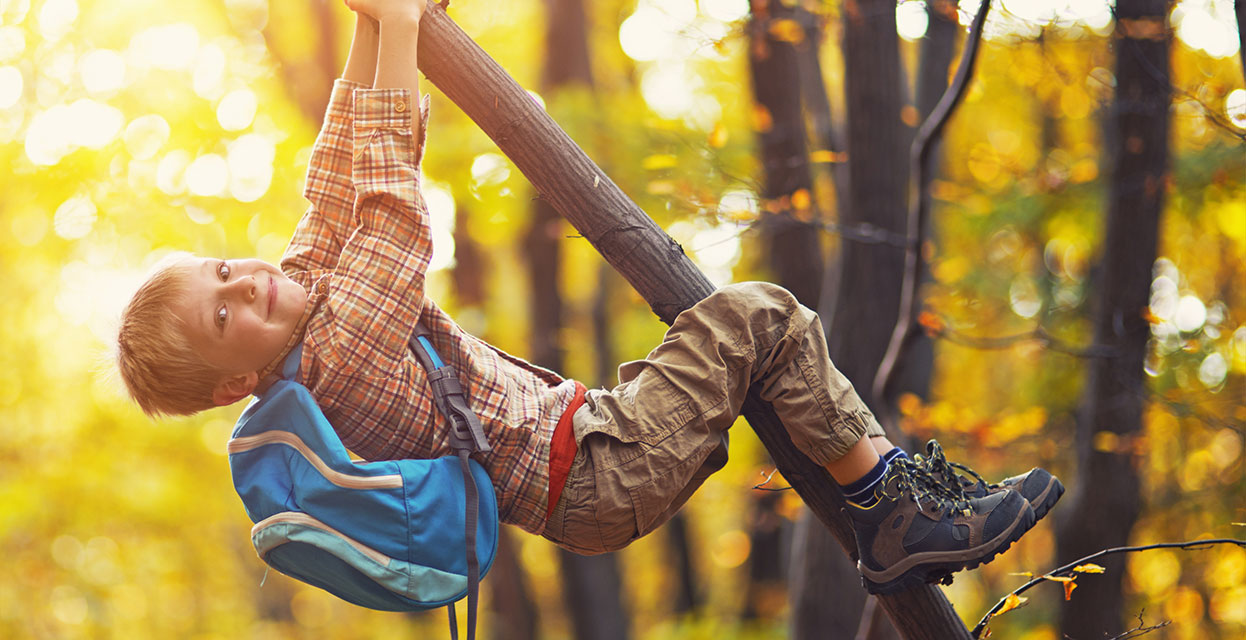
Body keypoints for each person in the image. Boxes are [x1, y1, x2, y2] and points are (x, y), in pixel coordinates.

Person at [115, 0, 1061, 595]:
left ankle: (883, 499)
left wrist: (372, 25)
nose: (248, 282)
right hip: (597, 472)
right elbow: (390, 218)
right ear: (234, 382)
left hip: (594, 437)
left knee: (750, 340)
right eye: (224, 314)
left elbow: (334, 181)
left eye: (224, 270)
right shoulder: (335, 361)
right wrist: (399, 25)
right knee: (760, 313)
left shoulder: (308, 306)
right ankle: (895, 513)